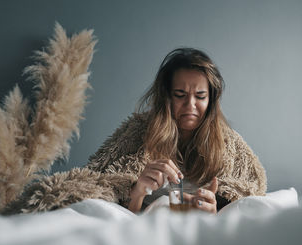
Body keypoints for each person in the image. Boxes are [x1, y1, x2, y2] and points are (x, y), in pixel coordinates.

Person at [86, 48, 267, 214]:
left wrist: (216, 210)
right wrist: (138, 191)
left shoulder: (229, 146)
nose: (190, 105)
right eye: (180, 95)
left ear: (211, 100)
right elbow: (97, 189)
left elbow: (249, 196)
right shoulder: (137, 134)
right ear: (166, 97)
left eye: (200, 96)